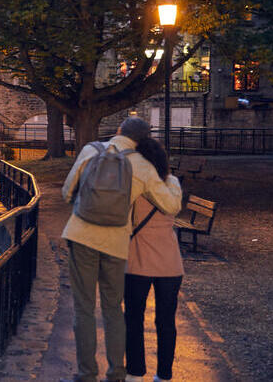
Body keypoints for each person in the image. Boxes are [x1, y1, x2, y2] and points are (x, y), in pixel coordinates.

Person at [60, 117, 182, 382]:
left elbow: (67, 191)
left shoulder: (91, 150)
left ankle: (86, 374)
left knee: (83, 307)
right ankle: (116, 373)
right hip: (115, 243)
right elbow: (171, 206)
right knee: (113, 308)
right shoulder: (143, 167)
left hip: (81, 236)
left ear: (118, 131)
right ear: (143, 140)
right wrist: (171, 181)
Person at [124, 137, 184, 382]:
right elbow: (174, 208)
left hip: (138, 258)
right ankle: (165, 374)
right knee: (166, 322)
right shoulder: (173, 183)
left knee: (134, 320)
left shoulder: (133, 185)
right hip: (170, 261)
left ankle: (136, 372)